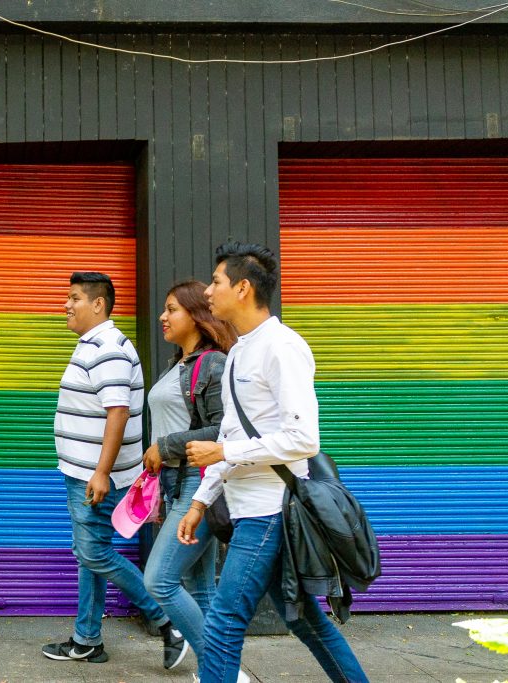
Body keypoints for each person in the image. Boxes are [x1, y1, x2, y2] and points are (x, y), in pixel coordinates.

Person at [179, 243, 369, 683]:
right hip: (245, 505)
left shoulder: (283, 347)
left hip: (270, 508)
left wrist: (225, 454)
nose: (208, 291)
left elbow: (303, 439)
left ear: (243, 288)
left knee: (223, 624)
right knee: (302, 619)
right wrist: (202, 500)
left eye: (217, 282)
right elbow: (231, 432)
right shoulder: (240, 351)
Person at [42, 271, 179, 666]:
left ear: (98, 304)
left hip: (93, 476)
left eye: (74, 298)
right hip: (84, 472)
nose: (66, 305)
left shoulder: (108, 347)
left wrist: (100, 473)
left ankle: (169, 620)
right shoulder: (94, 344)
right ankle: (87, 638)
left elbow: (116, 411)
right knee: (91, 554)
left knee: (93, 553)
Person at [140, 280, 236, 671]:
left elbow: (225, 430)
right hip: (178, 483)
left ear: (197, 316)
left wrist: (165, 446)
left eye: (172, 309)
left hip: (199, 485)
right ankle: (222, 674)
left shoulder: (212, 363)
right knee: (201, 589)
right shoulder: (177, 364)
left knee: (159, 581)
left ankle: (221, 672)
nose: (163, 316)